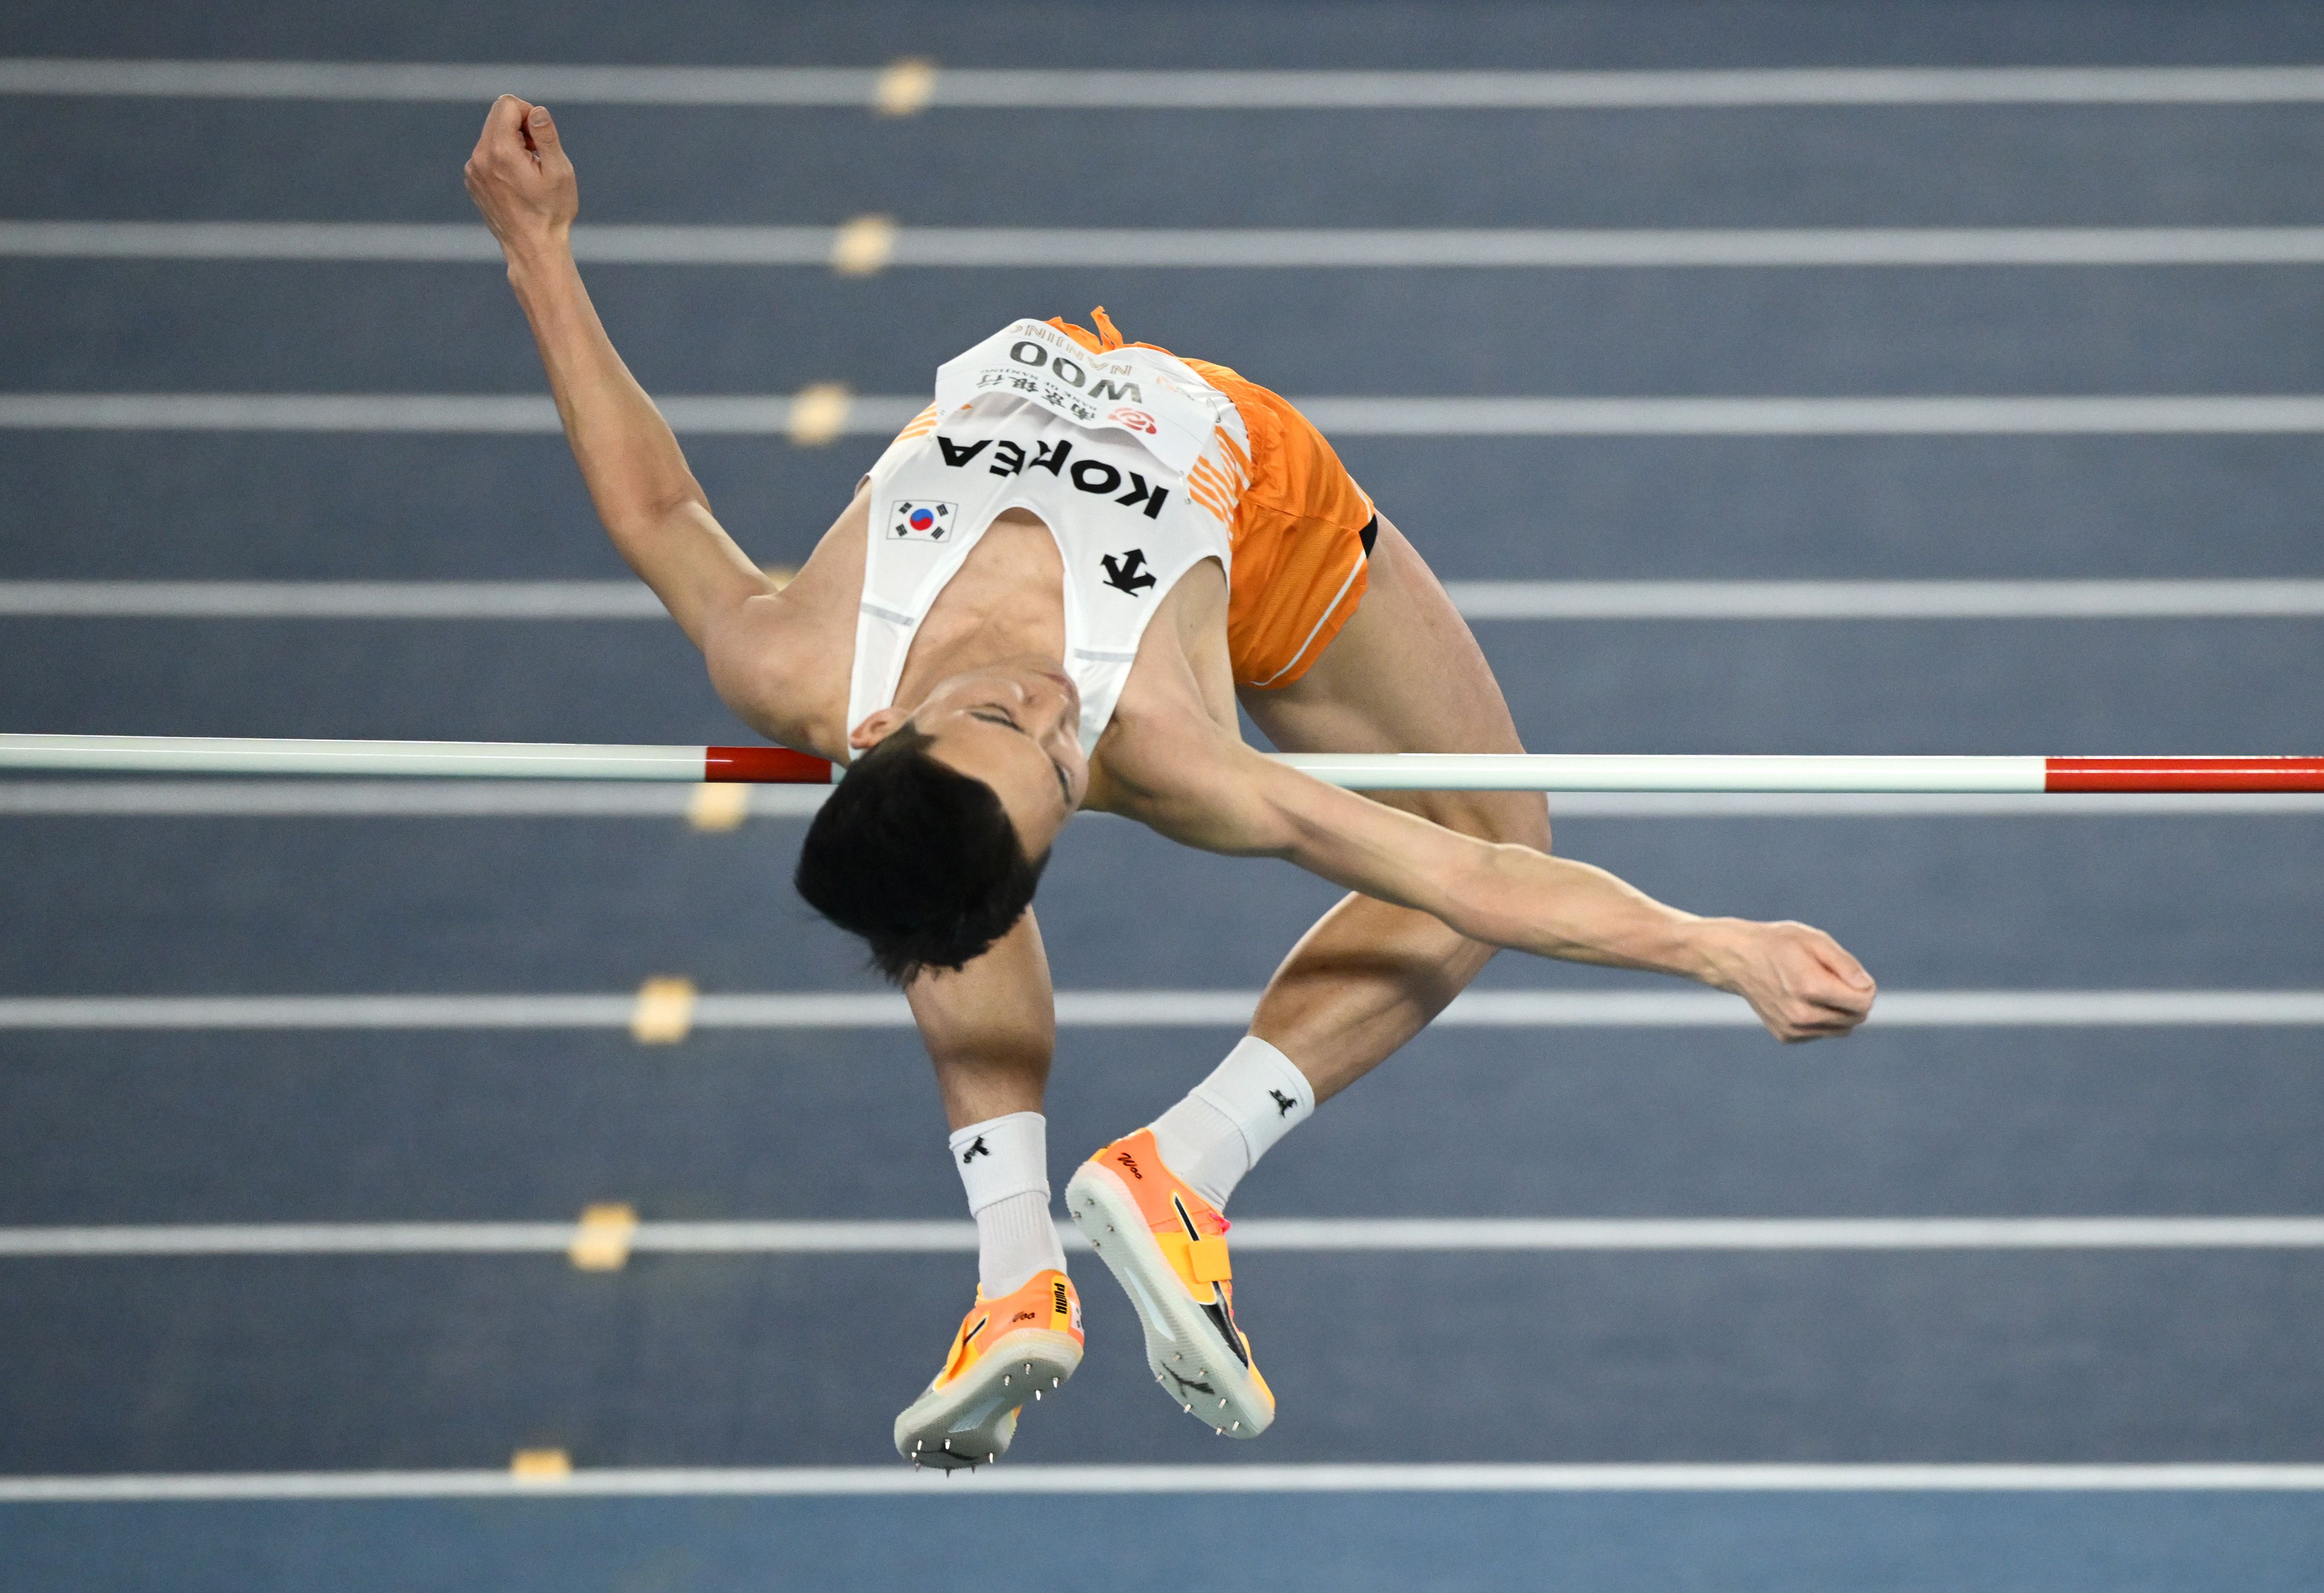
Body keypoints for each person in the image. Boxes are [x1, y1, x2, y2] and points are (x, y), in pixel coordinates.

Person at [466, 95, 1878, 1469]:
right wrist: (1714, 947)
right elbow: (1472, 875)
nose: (1049, 704)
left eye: (1008, 721)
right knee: (1013, 882)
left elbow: (654, 509)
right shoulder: (1155, 748)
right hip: (1237, 499)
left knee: (974, 848)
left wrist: (535, 243)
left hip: (1243, 502)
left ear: (886, 718)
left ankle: (1101, 1223)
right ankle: (1083, 1226)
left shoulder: (803, 662)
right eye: (1056, 761)